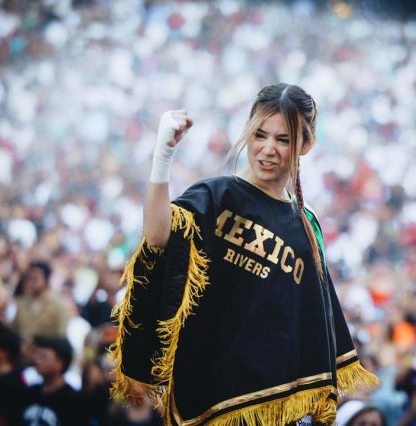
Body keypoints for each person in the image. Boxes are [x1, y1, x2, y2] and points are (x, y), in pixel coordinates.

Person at [110, 83, 378, 425]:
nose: (268, 149)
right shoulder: (216, 194)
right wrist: (162, 157)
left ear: (306, 145)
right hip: (207, 387)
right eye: (259, 135)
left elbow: (312, 322)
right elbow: (158, 237)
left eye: (283, 140)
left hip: (272, 405)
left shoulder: (306, 225)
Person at [20, 336, 88, 426]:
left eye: (43, 357)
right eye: (36, 355)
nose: (36, 361)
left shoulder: (73, 400)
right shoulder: (29, 392)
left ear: (60, 362)